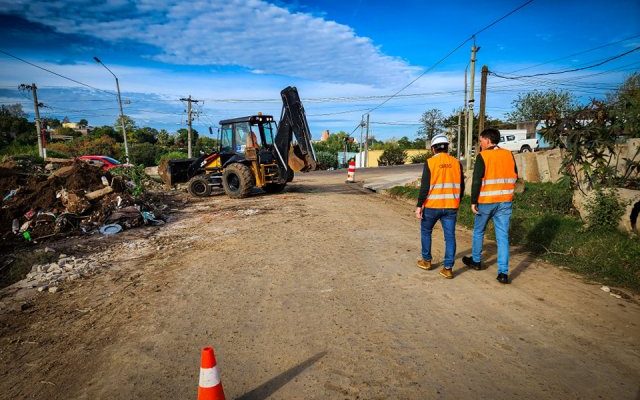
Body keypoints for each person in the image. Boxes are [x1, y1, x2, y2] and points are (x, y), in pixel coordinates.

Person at [462, 128, 518, 284]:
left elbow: (477, 180)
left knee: (479, 231)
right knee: (502, 237)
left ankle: (476, 261)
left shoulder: (483, 156)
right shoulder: (508, 154)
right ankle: (503, 273)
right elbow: (515, 174)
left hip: (486, 201)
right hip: (505, 201)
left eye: (480, 141)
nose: (480, 144)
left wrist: (473, 201)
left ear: (487, 140)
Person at [415, 134, 464, 279]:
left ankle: (427, 261)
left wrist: (419, 205)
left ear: (433, 149)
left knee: (426, 232)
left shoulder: (430, 162)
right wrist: (457, 201)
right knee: (450, 237)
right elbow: (461, 186)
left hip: (432, 206)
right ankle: (448, 268)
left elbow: (425, 187)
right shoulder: (456, 163)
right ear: (447, 147)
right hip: (451, 207)